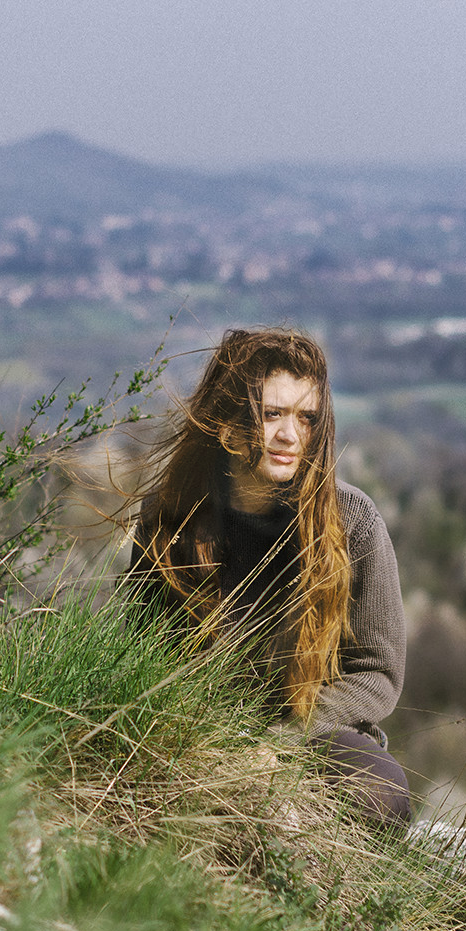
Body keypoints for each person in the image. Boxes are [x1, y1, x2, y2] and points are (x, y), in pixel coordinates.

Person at [128, 327, 411, 826]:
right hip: (196, 729)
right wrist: (207, 740)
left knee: (381, 796)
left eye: (306, 417)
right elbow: (140, 651)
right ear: (227, 423)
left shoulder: (353, 521)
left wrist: (278, 741)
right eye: (272, 414)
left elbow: (377, 672)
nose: (290, 435)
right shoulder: (170, 519)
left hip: (315, 734)